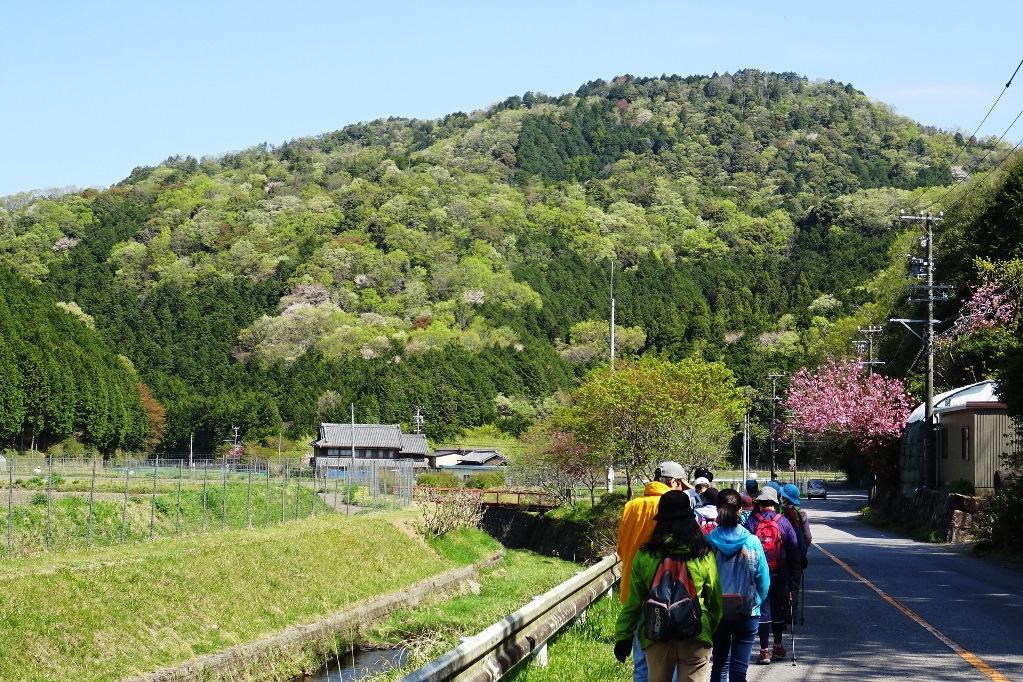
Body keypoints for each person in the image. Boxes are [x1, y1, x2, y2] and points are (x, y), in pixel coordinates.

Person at [615, 491, 723, 682]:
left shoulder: (645, 555)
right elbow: (714, 598)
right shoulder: (703, 554)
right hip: (695, 633)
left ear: (661, 521)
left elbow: (633, 602)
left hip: (657, 633)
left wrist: (624, 636)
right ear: (691, 519)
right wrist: (709, 628)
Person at [617, 462, 692, 682]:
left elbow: (621, 548)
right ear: (674, 482)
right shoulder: (670, 507)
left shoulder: (631, 506)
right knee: (672, 662)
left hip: (633, 590)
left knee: (642, 664)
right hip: (668, 593)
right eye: (681, 486)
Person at [707, 502, 770, 682]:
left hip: (718, 611)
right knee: (739, 669)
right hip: (747, 611)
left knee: (718, 664)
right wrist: (756, 602)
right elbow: (763, 581)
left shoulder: (709, 541)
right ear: (739, 514)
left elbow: (701, 577)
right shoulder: (752, 541)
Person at [743, 487, 800, 664]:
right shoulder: (783, 522)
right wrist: (794, 576)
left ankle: (764, 651)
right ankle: (777, 646)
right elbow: (794, 549)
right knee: (778, 609)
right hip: (780, 573)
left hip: (757, 574)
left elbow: (744, 546)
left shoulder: (752, 522)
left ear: (759, 503)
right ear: (775, 503)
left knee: (763, 610)